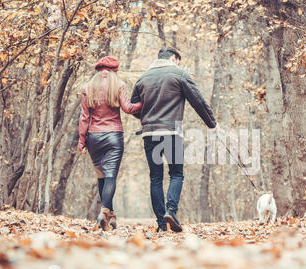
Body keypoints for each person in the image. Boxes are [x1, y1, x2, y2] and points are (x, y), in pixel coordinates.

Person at [131, 47, 217, 233]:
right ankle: (171, 210)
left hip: (149, 134)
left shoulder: (142, 78)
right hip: (171, 133)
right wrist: (212, 124)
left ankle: (161, 224)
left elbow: (134, 108)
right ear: (173, 58)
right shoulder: (178, 74)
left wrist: (147, 120)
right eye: (178, 60)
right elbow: (198, 101)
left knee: (155, 177)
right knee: (176, 174)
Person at [78, 56, 142, 231]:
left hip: (93, 137)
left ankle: (109, 214)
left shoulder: (87, 87)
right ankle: (104, 212)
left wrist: (81, 141)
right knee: (111, 176)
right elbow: (128, 108)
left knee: (101, 176)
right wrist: (144, 103)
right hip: (113, 135)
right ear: (114, 71)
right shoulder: (119, 85)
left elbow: (84, 117)